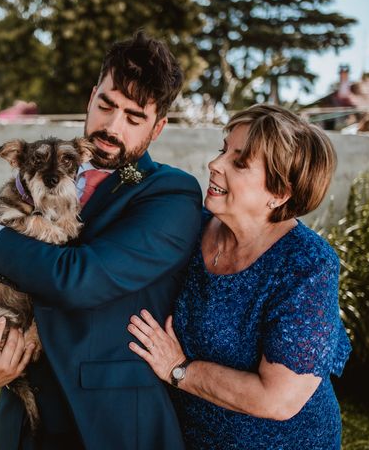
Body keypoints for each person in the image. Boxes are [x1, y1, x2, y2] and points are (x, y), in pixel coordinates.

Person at [0, 31, 202, 449]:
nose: (111, 125)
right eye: (105, 105)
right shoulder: (40, 169)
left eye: (134, 116)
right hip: (25, 419)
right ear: (90, 98)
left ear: (158, 127)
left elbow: (79, 278)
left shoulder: (171, 194)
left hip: (111, 423)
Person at [128, 104, 351, 449]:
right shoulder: (194, 225)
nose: (214, 164)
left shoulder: (307, 264)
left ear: (279, 193)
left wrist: (179, 369)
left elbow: (276, 399)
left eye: (240, 161)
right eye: (223, 150)